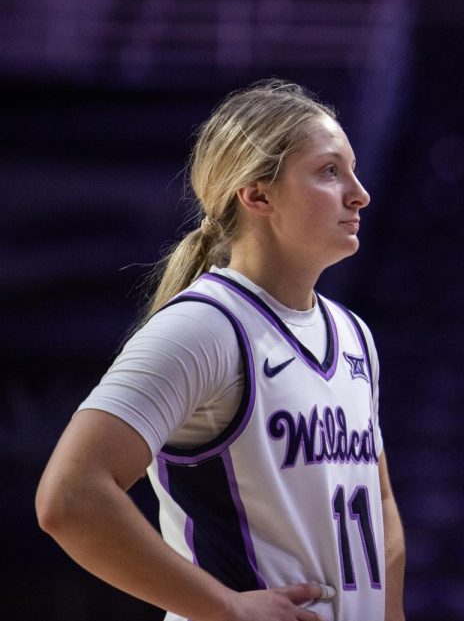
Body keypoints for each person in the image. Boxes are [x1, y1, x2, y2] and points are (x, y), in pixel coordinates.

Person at [36, 80, 405, 621]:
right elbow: (69, 498)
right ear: (257, 195)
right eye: (329, 171)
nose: (359, 192)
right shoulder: (203, 327)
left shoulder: (353, 335)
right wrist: (228, 608)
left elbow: (382, 505)